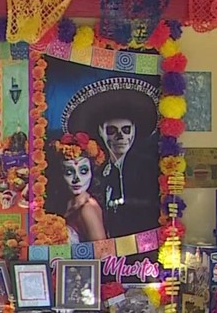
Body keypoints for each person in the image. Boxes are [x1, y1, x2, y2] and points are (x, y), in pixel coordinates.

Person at [63, 79, 161, 238]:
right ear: (101, 131)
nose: (120, 137)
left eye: (126, 130)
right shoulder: (94, 172)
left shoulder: (147, 168)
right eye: (112, 130)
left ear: (134, 131)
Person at [51, 132, 108, 243]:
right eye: (69, 172)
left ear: (92, 172)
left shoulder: (87, 209)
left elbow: (103, 254)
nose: (76, 179)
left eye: (83, 171)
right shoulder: (67, 203)